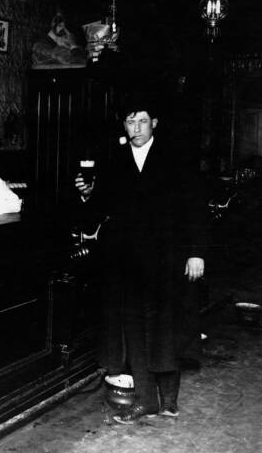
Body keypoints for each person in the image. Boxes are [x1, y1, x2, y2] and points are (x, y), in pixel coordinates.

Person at [75, 95, 206, 422]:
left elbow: (194, 207)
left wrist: (196, 252)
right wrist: (86, 195)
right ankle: (146, 400)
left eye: (142, 121)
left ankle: (170, 400)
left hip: (167, 257)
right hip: (127, 260)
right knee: (134, 329)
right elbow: (101, 207)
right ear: (124, 126)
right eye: (130, 122)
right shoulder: (114, 159)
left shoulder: (175, 157)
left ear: (154, 124)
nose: (136, 128)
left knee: (167, 326)